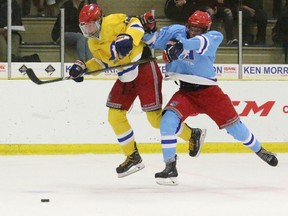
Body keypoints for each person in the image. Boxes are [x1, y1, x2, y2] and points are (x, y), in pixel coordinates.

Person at [68, 4, 207, 178]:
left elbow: (135, 24)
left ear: (100, 20)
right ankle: (132, 156)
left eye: (91, 25)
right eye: (85, 27)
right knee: (114, 116)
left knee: (155, 120)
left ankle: (192, 134)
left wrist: (128, 37)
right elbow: (103, 62)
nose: (89, 30)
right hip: (125, 74)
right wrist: (84, 68)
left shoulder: (113, 21)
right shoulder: (92, 42)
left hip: (144, 67)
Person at [143, 10, 278, 186]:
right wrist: (146, 28)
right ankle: (170, 167)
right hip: (186, 92)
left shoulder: (214, 36)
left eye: (198, 29)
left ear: (206, 28)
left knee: (236, 129)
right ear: (187, 25)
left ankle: (261, 151)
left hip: (210, 94)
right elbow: (152, 41)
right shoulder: (176, 31)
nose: (194, 31)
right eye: (191, 28)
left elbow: (198, 43)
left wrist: (178, 46)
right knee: (167, 122)